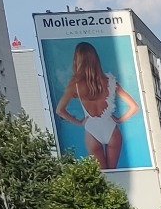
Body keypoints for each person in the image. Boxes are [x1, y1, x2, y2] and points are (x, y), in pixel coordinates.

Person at [53, 42, 140, 170]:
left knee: (103, 176)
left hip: (91, 130)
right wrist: (119, 119)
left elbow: (60, 110)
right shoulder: (110, 81)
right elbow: (134, 106)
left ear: (77, 60)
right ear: (95, 59)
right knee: (114, 174)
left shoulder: (75, 85)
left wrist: (79, 122)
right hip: (111, 129)